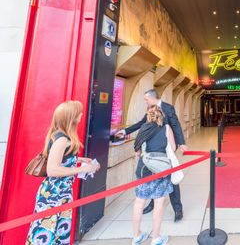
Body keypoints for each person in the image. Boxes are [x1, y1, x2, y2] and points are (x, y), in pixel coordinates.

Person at [26, 101, 100, 245]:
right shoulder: (62, 139)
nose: (81, 114)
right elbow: (52, 170)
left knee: (58, 233)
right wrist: (82, 168)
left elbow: (61, 159)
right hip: (54, 195)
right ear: (71, 117)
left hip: (61, 194)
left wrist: (79, 159)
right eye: (79, 112)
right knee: (47, 234)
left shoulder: (61, 136)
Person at [116, 89, 187, 221]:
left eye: (146, 99)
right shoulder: (150, 109)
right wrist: (125, 131)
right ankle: (153, 204)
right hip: (151, 151)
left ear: (153, 98)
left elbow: (176, 125)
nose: (145, 102)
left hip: (166, 150)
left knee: (171, 178)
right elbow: (141, 124)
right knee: (154, 176)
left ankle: (178, 209)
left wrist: (181, 143)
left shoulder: (168, 108)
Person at [131, 106, 175, 245]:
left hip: (144, 169)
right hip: (160, 169)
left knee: (139, 202)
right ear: (161, 116)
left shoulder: (143, 128)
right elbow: (173, 148)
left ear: (148, 116)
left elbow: (137, 151)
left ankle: (137, 235)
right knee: (159, 202)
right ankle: (155, 238)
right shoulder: (166, 128)